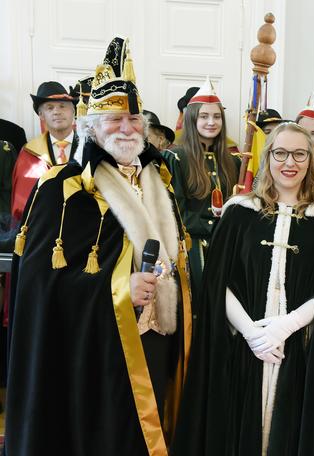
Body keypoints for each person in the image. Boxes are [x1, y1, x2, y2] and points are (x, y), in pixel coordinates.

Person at [5, 36, 192, 455]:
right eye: (114, 120)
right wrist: (122, 289)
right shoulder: (63, 190)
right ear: (91, 127)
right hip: (93, 351)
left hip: (157, 337)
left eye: (134, 119)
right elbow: (41, 290)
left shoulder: (159, 181)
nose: (126, 129)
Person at [171, 122, 314, 455]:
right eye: (280, 153)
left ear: (311, 159)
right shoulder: (239, 211)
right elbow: (217, 282)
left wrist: (285, 327)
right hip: (244, 347)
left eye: (299, 154)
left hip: (299, 348)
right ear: (268, 158)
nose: (289, 162)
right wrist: (253, 333)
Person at [163, 77, 239, 308]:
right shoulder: (176, 157)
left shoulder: (233, 162)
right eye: (204, 116)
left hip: (225, 247)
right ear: (192, 118)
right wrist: (211, 228)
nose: (211, 122)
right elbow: (175, 212)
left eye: (216, 117)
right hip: (191, 248)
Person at [11, 81, 78, 226]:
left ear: (73, 111)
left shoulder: (91, 148)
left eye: (62, 106)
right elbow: (22, 205)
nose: (56, 111)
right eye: (49, 107)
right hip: (42, 231)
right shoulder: (29, 153)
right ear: (41, 115)